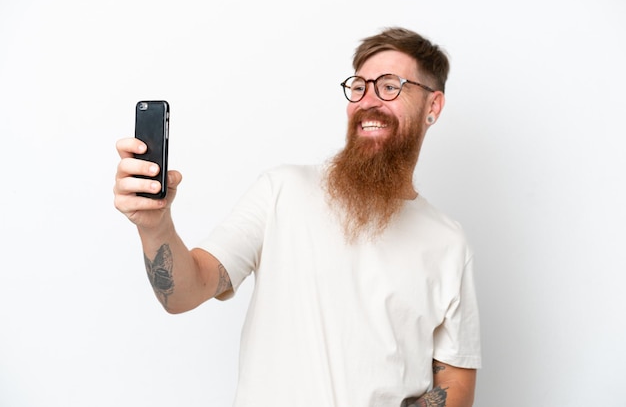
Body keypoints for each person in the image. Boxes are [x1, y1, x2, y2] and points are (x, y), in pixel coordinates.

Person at [114, 27, 481, 407]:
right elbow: (184, 293)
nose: (368, 101)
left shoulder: (448, 242)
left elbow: (456, 378)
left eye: (389, 86)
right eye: (359, 87)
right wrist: (155, 226)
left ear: (432, 107)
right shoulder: (281, 191)